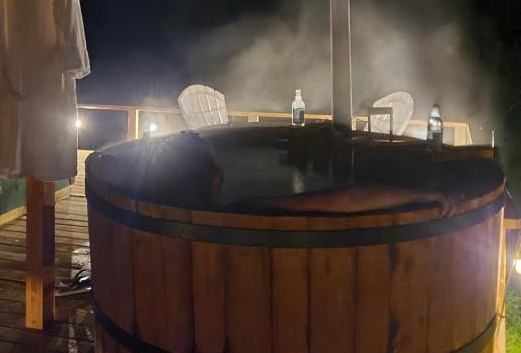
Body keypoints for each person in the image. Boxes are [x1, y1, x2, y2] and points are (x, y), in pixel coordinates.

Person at [103, 131, 461, 217]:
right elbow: (345, 198)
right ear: (215, 180)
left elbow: (107, 166)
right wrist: (419, 196)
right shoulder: (239, 214)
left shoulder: (152, 208)